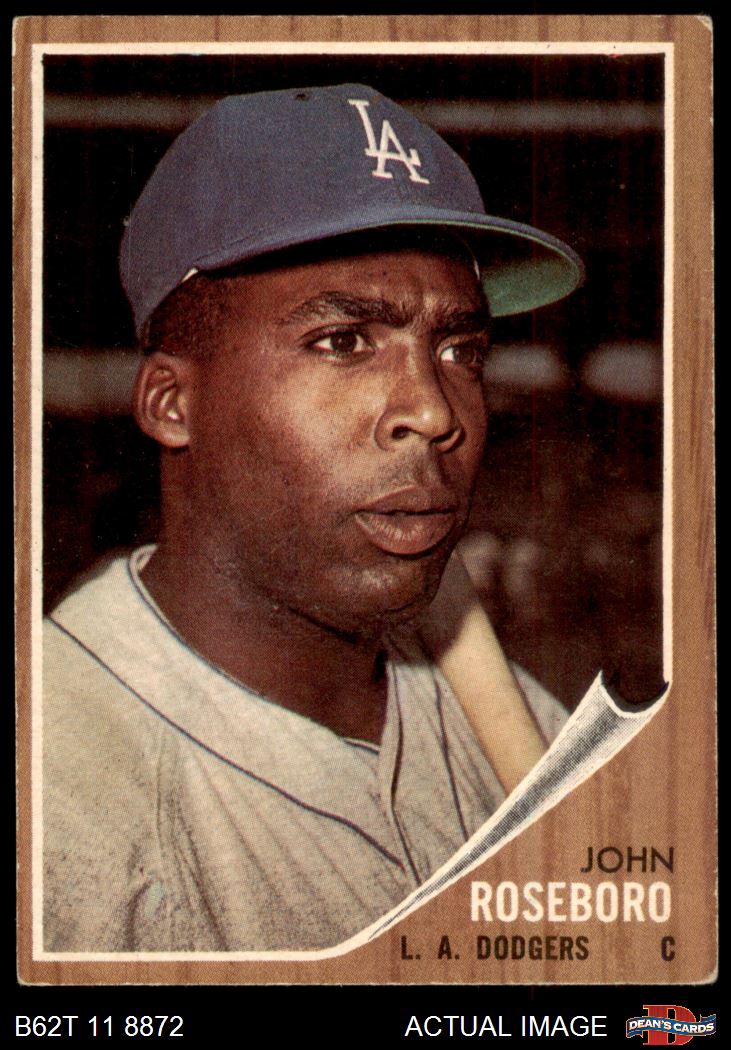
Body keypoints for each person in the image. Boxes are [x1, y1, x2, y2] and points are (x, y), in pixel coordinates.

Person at [43, 83, 586, 952]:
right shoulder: (61, 816)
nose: (433, 411)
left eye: (460, 349)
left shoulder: (509, 708)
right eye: (342, 342)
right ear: (172, 403)